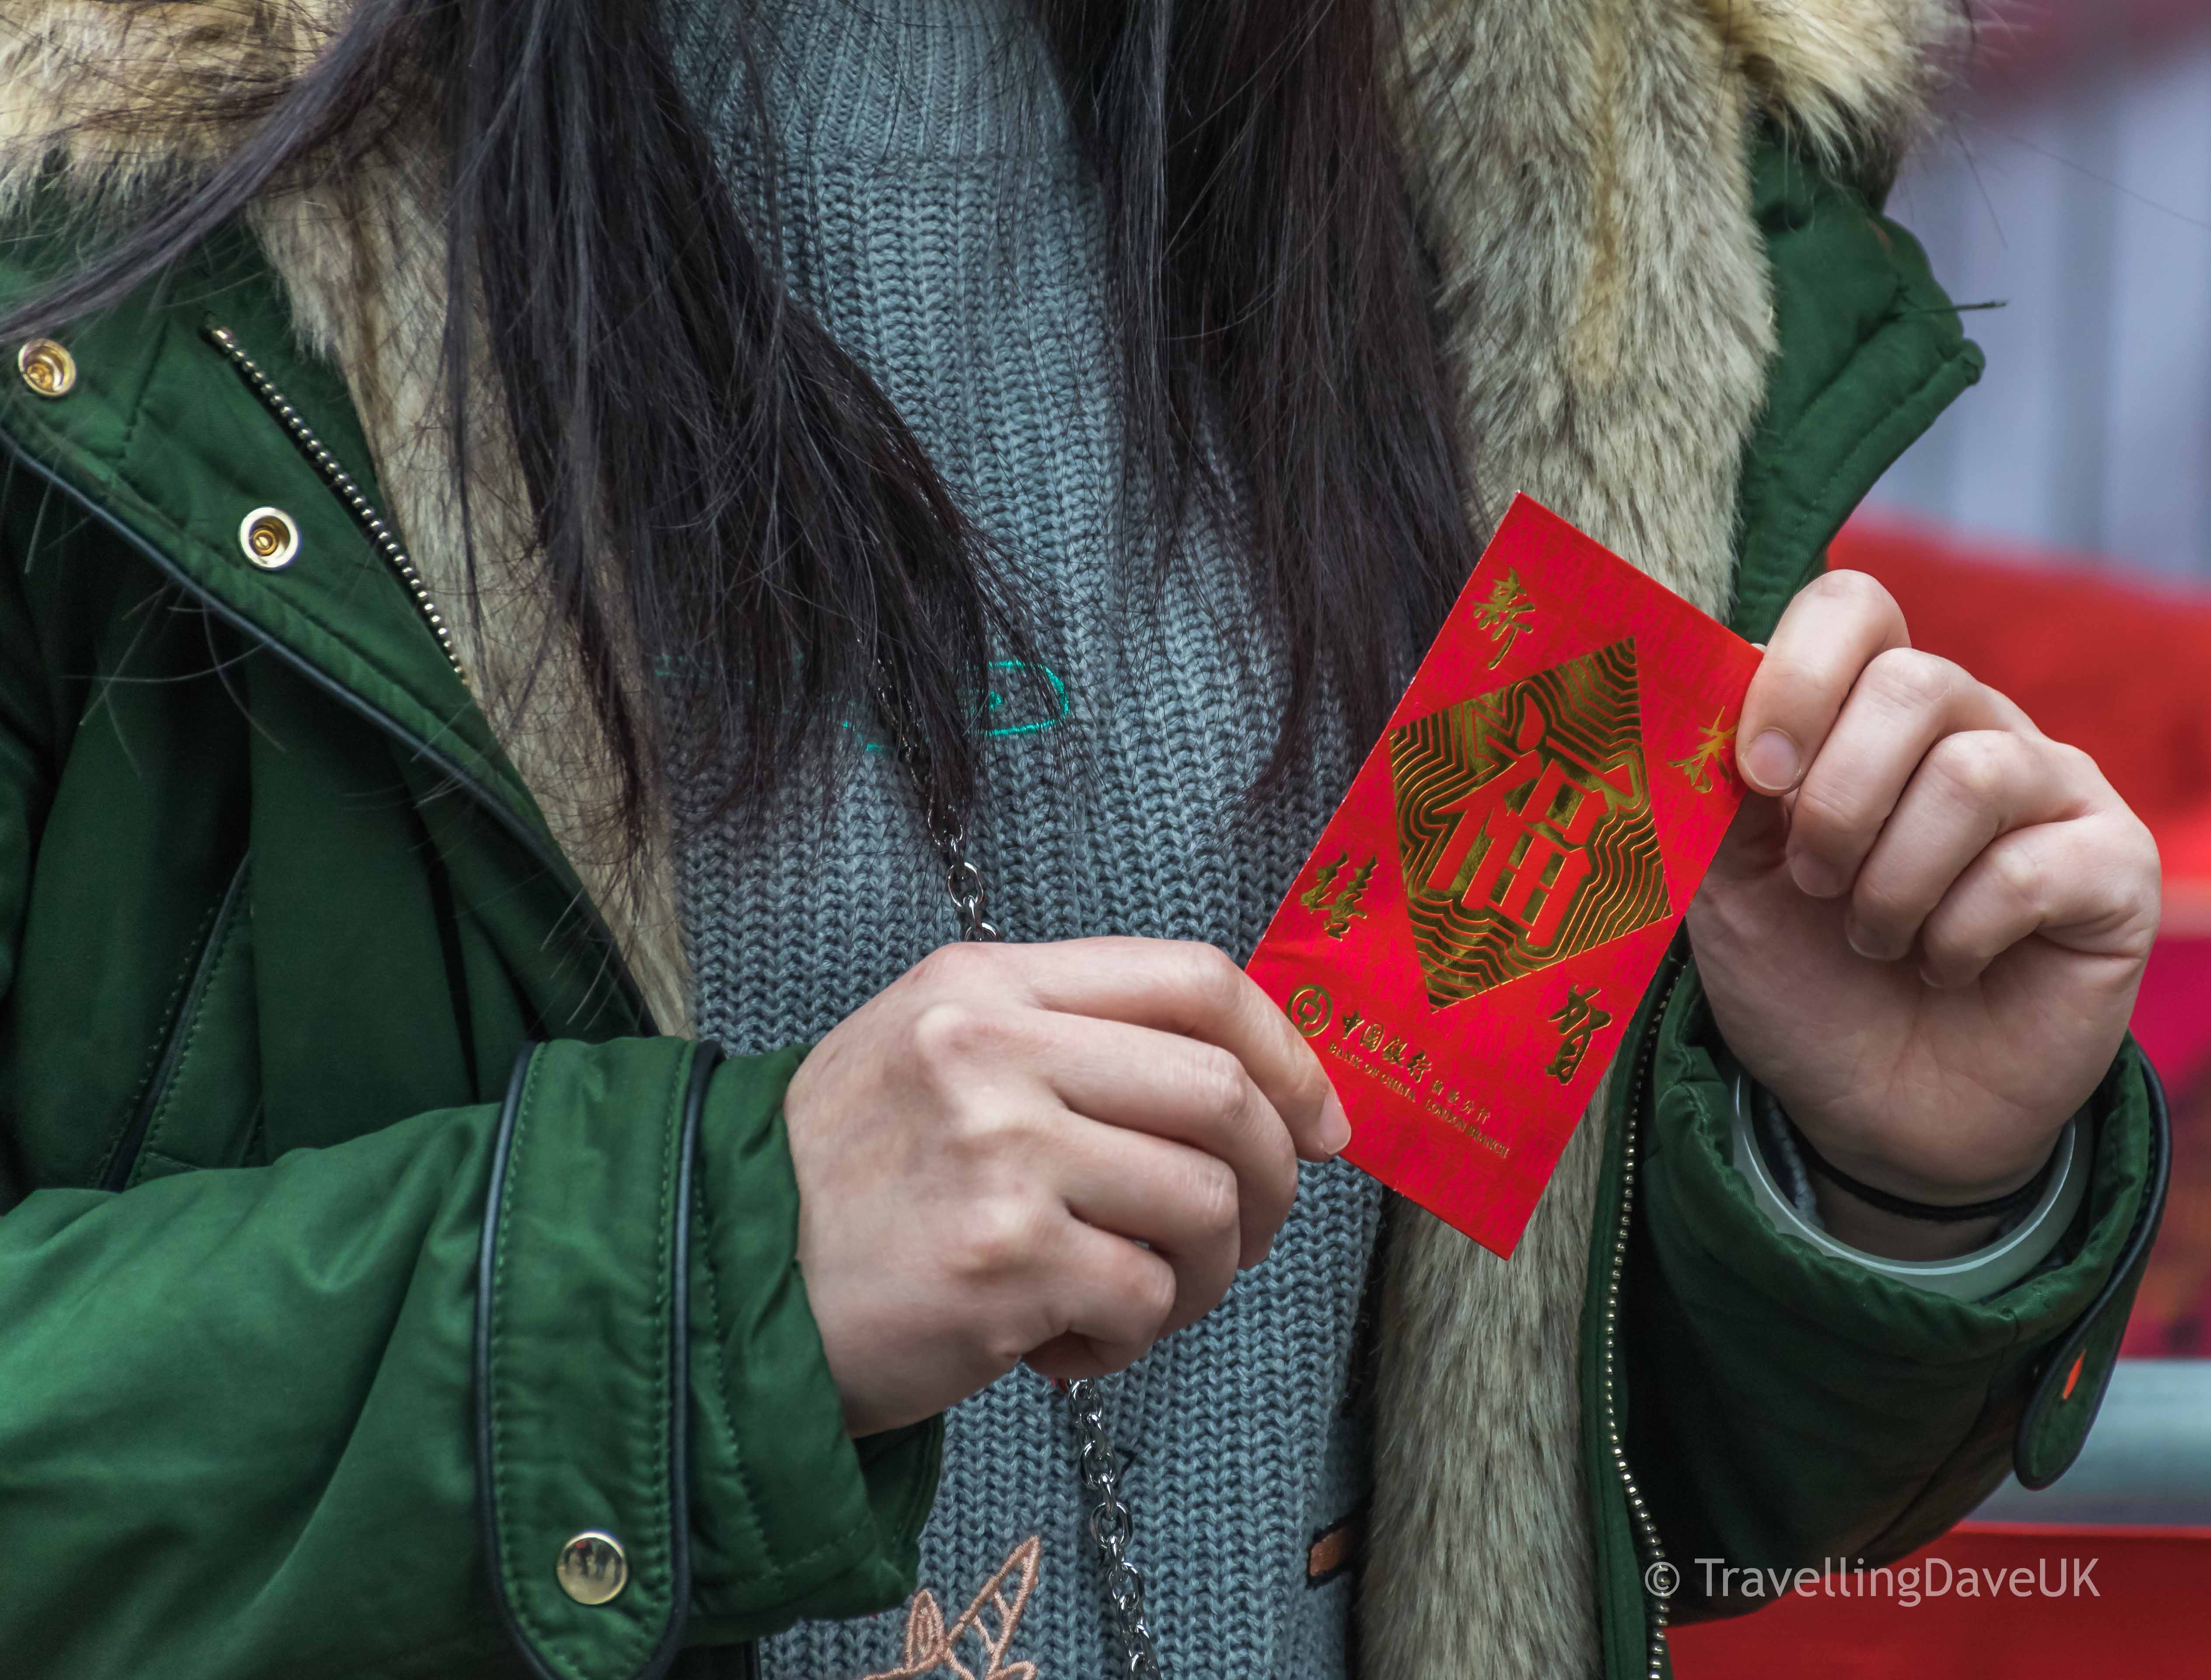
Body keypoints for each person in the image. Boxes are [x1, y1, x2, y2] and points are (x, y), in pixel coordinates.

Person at [0, 0, 2167, 1677]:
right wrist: (698, 1288)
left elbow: (1490, 1441)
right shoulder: (100, 220)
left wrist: (1873, 1189)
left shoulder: (1583, 186)